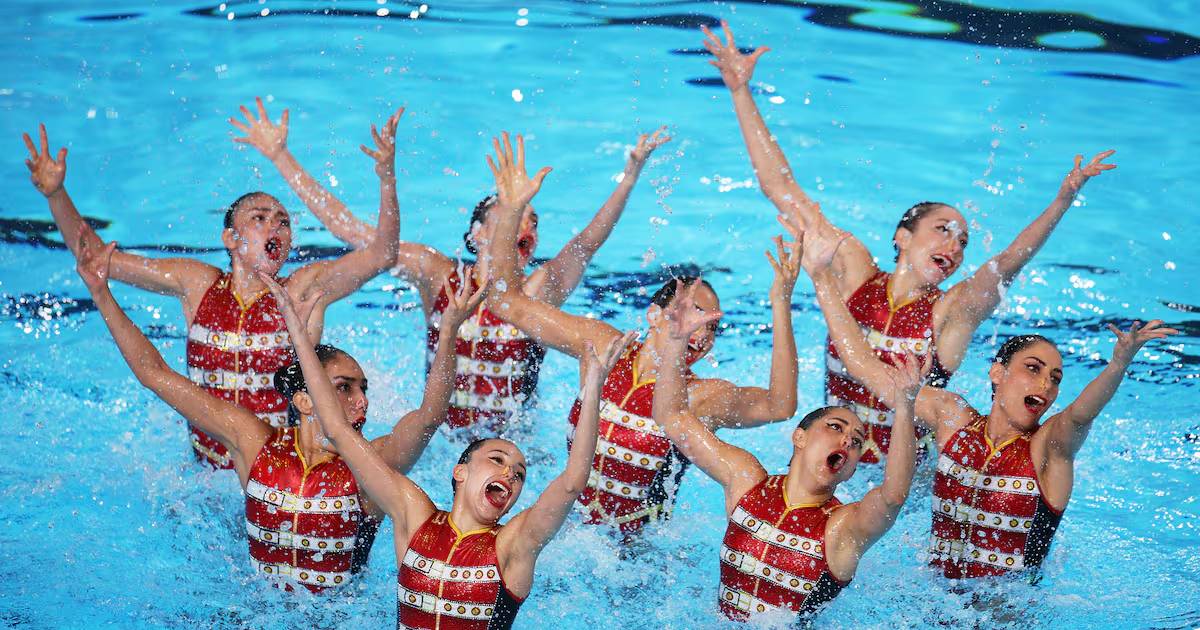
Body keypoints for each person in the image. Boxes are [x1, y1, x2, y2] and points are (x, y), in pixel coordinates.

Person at [702, 21, 1117, 463]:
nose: (955, 247)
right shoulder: (854, 271)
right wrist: (740, 92)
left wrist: (1063, 199)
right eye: (942, 229)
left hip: (901, 482)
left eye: (963, 241)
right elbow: (782, 189)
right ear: (902, 237)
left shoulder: (950, 313)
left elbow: (1010, 261)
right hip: (831, 461)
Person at [265, 210, 636, 627]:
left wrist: (593, 391)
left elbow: (572, 482)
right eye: (497, 459)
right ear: (460, 471)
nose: (510, 474)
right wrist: (299, 335)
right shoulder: (414, 515)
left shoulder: (513, 546)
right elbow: (336, 428)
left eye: (518, 472)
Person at [72, 228, 484, 592]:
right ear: (304, 399)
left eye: (363, 389)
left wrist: (449, 333)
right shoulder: (252, 442)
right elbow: (153, 374)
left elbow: (430, 415)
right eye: (343, 388)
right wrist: (100, 294)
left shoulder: (371, 468)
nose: (361, 401)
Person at [231, 98, 671, 434]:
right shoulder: (438, 274)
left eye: (532, 220)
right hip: (438, 437)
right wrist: (280, 156)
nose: (524, 225)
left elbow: (586, 243)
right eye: (512, 213)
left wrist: (629, 176)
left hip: (508, 440)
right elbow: (352, 232)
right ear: (477, 233)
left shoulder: (538, 291)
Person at [23, 109, 402, 468]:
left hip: (273, 473)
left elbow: (383, 255)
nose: (276, 227)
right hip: (204, 475)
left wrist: (386, 178)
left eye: (283, 222)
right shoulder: (198, 284)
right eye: (260, 218)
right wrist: (56, 195)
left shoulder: (303, 289)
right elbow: (95, 257)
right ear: (231, 238)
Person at [803, 226, 1178, 579]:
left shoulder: (1047, 449)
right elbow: (863, 365)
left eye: (1055, 378)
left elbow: (1082, 415)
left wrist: (1117, 365)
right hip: (933, 601)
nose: (1045, 384)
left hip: (1006, 613)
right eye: (1033, 368)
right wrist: (821, 279)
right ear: (997, 374)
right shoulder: (952, 418)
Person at [483, 133, 801, 535]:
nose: (700, 332)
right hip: (565, 534)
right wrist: (511, 211)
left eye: (712, 326)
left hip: (634, 557)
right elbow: (505, 303)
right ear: (655, 315)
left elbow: (780, 405)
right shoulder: (602, 346)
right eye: (692, 313)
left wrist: (780, 303)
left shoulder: (699, 397)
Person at [651, 280, 924, 621]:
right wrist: (676, 342)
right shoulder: (746, 481)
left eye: (856, 442)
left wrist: (905, 406)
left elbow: (894, 495)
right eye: (835, 427)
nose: (846, 442)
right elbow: (672, 417)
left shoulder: (842, 528)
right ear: (800, 437)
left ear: (853, 467)